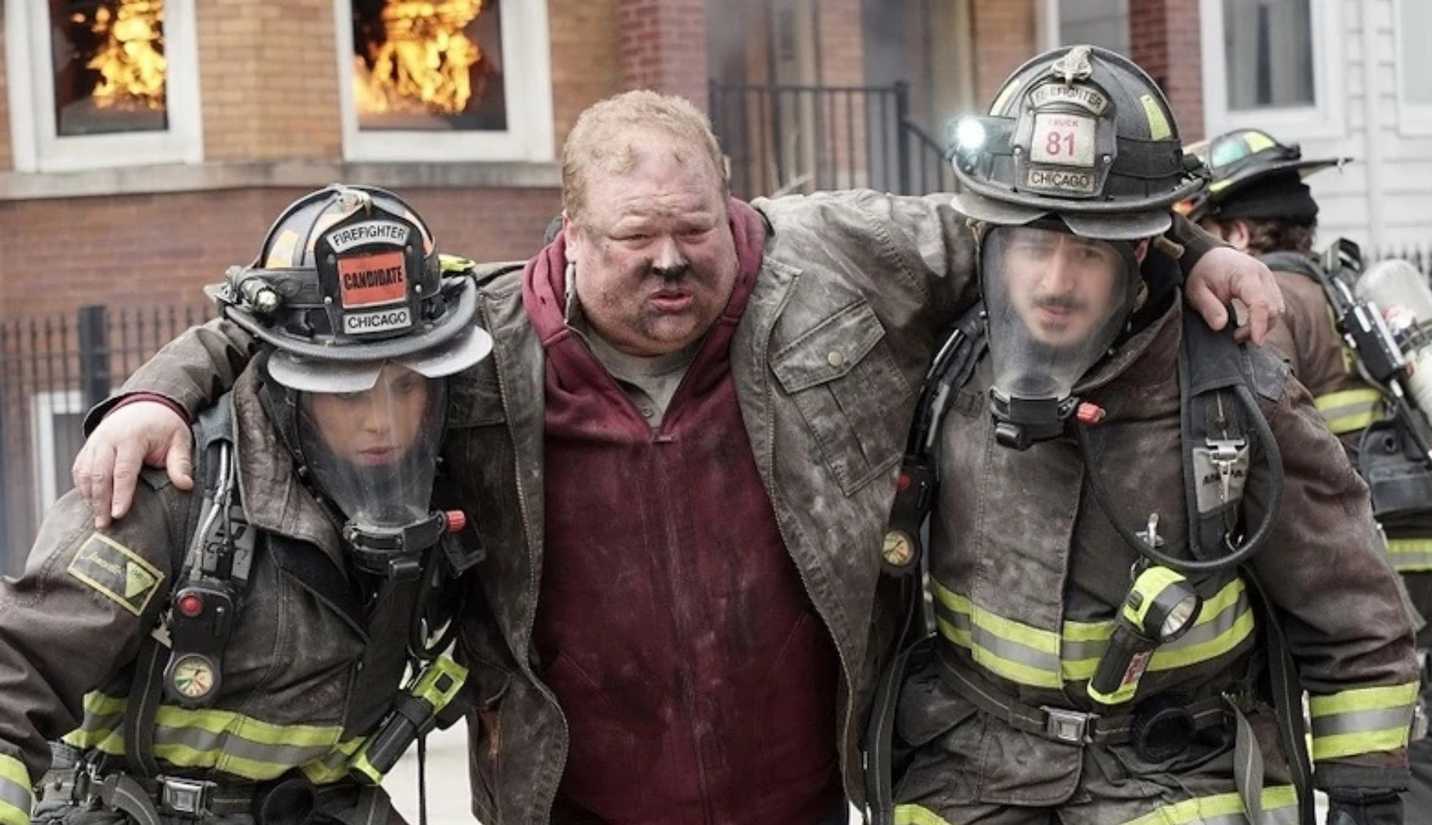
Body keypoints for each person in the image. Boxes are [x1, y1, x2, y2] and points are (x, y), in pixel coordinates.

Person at [66, 91, 1283, 823]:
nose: (670, 260)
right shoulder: (480, 338)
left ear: (733, 202)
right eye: (635, 237)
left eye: (695, 229)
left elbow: (1033, 222)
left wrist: (1188, 259)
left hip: (804, 795)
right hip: (575, 804)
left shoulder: (838, 259)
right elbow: (302, 311)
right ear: (570, 229)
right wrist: (157, 388)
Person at [876, 52, 1417, 825]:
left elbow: (1352, 606)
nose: (1056, 282)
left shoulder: (1236, 392)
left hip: (1174, 776)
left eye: (1090, 250)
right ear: (991, 238)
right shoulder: (942, 368)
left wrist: (1367, 793)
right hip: (969, 772)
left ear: (1139, 250)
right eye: (1033, 245)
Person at [0, 185, 493, 825]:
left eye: (407, 387)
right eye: (346, 394)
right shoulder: (172, 497)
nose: (383, 421)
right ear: (288, 385)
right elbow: (16, 671)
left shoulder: (445, 480)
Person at [1188, 129, 1432, 825]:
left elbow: (1250, 438)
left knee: (1399, 754)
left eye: (1211, 236)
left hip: (1370, 555)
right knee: (1426, 734)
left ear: (1237, 231)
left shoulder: (1271, 306)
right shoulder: (1350, 294)